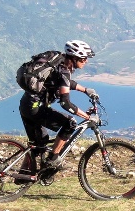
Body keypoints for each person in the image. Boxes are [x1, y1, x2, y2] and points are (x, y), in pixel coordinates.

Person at [18, 40, 99, 181]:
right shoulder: (64, 70)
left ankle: (22, 177)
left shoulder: (58, 63)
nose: (86, 61)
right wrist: (87, 117)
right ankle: (53, 159)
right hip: (35, 108)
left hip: (27, 105)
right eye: (84, 58)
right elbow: (65, 103)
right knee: (70, 124)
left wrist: (85, 90)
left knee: (38, 144)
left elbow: (65, 82)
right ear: (75, 57)